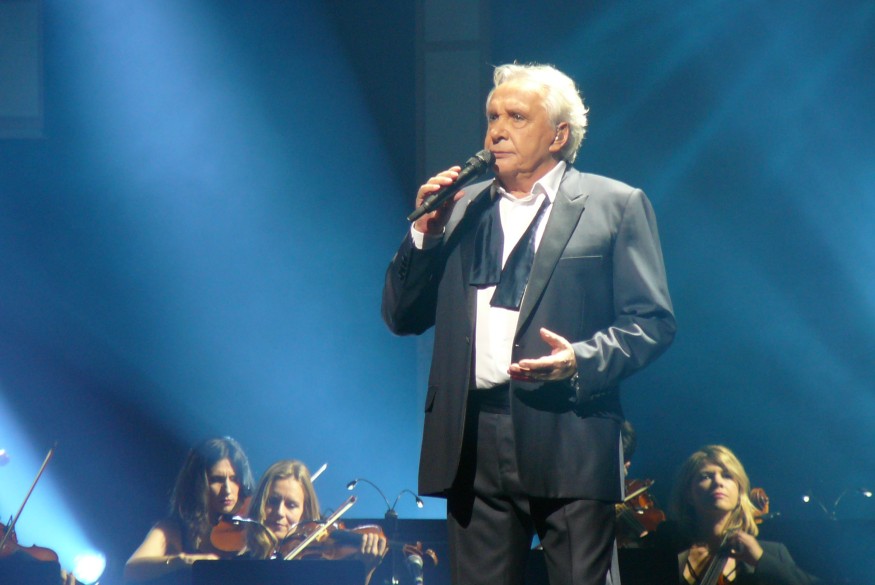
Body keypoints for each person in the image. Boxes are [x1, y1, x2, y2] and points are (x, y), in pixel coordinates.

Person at [382, 62, 676, 585]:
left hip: (570, 431)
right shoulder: (460, 210)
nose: (497, 131)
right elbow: (402, 317)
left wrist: (580, 359)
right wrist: (424, 235)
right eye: (492, 117)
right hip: (471, 438)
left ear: (558, 135)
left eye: (516, 117)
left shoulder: (615, 205)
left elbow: (651, 322)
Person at [669, 445, 820, 584]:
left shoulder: (773, 553)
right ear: (688, 494)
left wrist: (761, 559)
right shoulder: (668, 551)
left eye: (727, 475)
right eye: (706, 476)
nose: (718, 482)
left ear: (739, 492)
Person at [124, 436, 254, 582]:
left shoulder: (252, 528)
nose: (228, 490)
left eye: (234, 479)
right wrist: (182, 560)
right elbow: (132, 569)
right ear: (198, 484)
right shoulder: (173, 529)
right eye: (216, 480)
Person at [244, 460, 387, 584]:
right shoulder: (241, 565)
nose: (280, 512)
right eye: (272, 501)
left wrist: (364, 570)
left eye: (291, 505)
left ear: (304, 512)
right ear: (259, 504)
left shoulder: (318, 569)